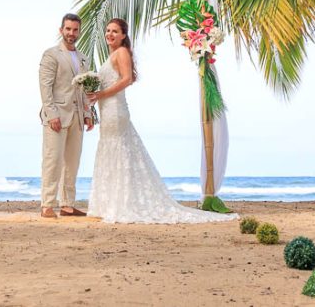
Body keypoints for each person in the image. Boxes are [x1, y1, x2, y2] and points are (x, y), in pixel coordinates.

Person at [85, 18, 231, 224]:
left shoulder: (121, 52)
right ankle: (109, 202)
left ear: (123, 35)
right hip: (108, 110)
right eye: (108, 31)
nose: (110, 34)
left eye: (115, 31)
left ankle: (121, 204)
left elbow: (127, 79)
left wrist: (101, 94)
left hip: (116, 110)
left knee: (118, 151)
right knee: (110, 150)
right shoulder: (113, 54)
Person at [38, 13, 93, 218]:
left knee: (72, 162)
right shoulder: (51, 55)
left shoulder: (83, 58)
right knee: (53, 161)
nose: (71, 33)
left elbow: (84, 89)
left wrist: (88, 113)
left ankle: (68, 205)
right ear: (61, 30)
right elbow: (45, 87)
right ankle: (47, 205)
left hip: (77, 118)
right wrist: (52, 114)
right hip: (56, 117)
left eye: (75, 29)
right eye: (68, 29)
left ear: (79, 31)